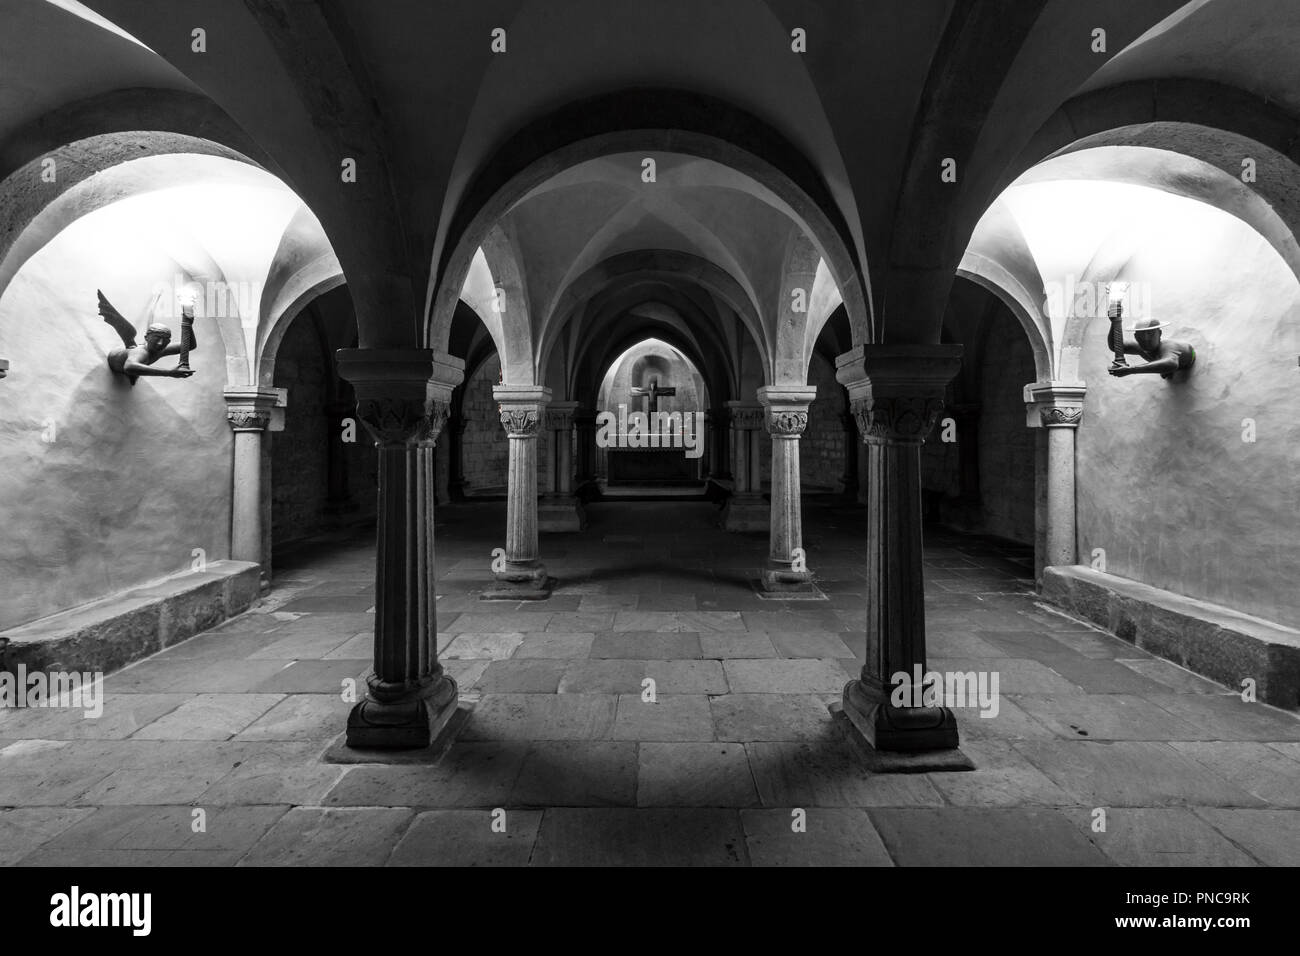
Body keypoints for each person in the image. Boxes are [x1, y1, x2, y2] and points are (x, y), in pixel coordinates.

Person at [100, 289, 196, 383]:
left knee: (146, 328)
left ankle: (135, 372)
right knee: (131, 332)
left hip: (127, 362)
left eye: (165, 341)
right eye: (156, 339)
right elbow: (129, 367)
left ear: (168, 342)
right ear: (146, 338)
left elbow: (189, 345)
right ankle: (134, 373)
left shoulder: (160, 349)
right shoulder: (141, 352)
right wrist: (169, 373)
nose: (160, 343)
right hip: (116, 359)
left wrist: (188, 324)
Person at [1108, 316, 1195, 380]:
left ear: (1159, 333)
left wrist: (1130, 370)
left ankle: (1166, 371)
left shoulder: (1169, 346)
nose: (1146, 339)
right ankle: (1165, 371)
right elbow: (1116, 346)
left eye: (1150, 334)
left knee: (1167, 364)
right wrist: (1115, 322)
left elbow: (1171, 363)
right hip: (1172, 368)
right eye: (1141, 335)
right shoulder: (1139, 347)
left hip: (1186, 362)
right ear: (1136, 337)